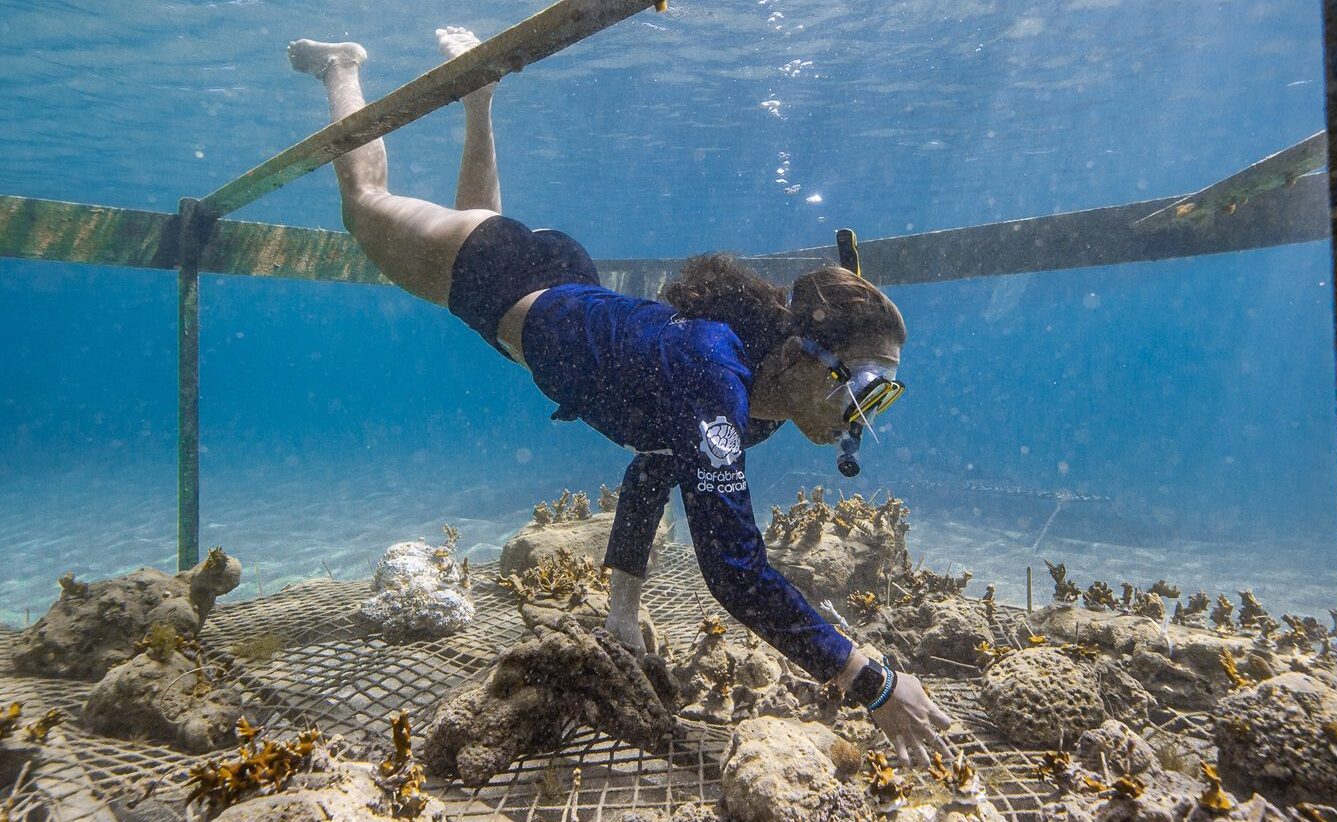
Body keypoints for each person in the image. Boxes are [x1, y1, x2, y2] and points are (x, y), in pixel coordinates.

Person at [288, 27, 955, 765]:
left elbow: (655, 464)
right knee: (364, 203)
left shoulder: (759, 401)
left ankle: (477, 97)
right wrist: (872, 682)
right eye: (862, 389)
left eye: (881, 400)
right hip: (505, 276)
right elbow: (735, 570)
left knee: (475, 222)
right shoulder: (717, 375)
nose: (860, 418)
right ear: (803, 353)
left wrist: (623, 619)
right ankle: (344, 69)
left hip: (551, 274)